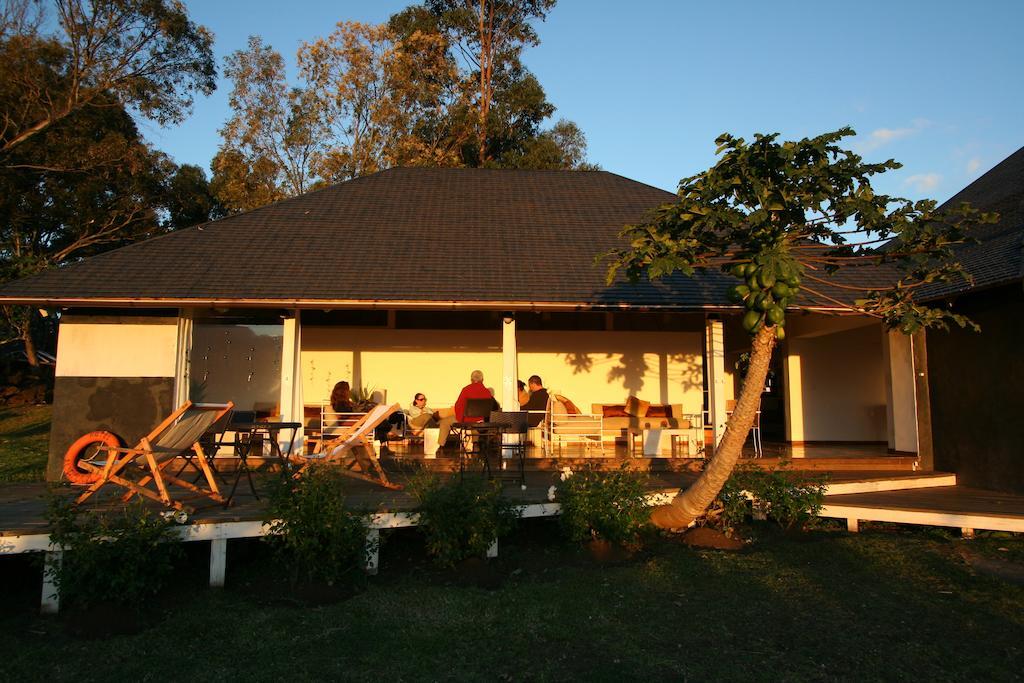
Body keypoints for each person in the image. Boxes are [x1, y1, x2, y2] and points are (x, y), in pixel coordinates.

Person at [436, 369, 498, 453]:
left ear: (471, 380)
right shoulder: (487, 392)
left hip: (466, 420)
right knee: (476, 421)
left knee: (445, 422)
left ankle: (441, 446)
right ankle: (475, 443)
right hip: (480, 421)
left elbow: (458, 405)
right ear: (482, 380)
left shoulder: (466, 389)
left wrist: (460, 418)